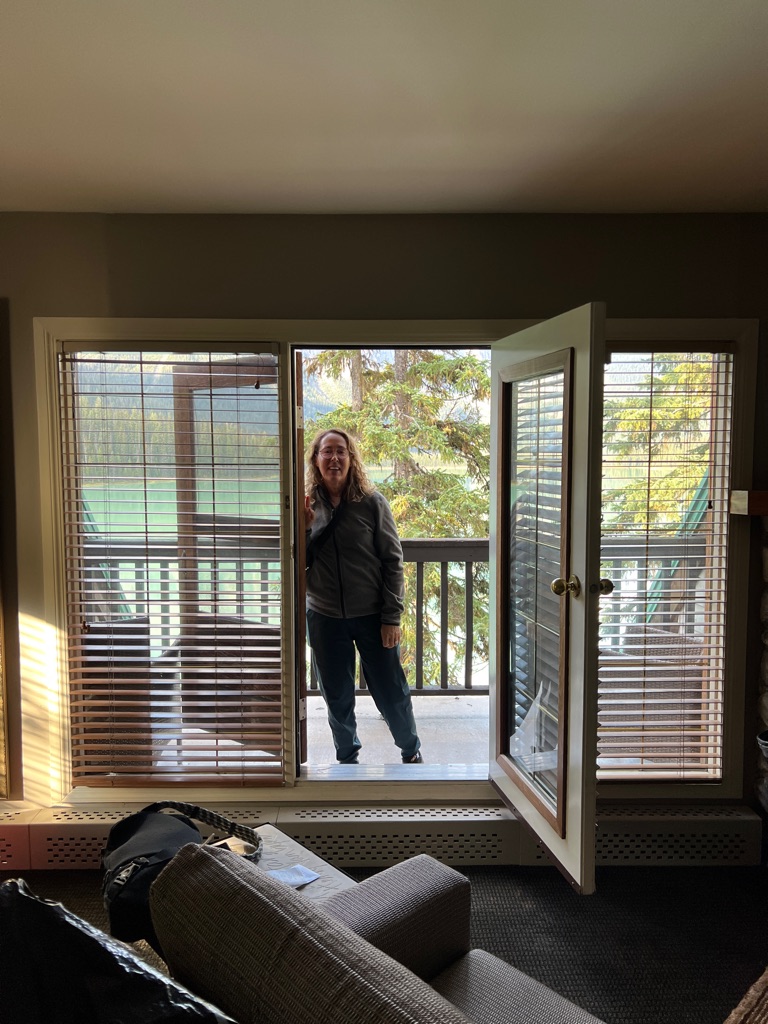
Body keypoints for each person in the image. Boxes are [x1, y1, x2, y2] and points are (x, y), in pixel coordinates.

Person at [304, 428, 423, 765]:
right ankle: (347, 756)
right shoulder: (307, 504)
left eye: (341, 451)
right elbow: (300, 562)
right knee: (336, 695)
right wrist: (305, 527)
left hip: (372, 616)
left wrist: (391, 617)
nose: (334, 458)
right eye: (327, 451)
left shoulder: (372, 502)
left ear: (351, 458)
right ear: (316, 459)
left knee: (391, 689)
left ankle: (410, 749)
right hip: (324, 616)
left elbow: (392, 560)